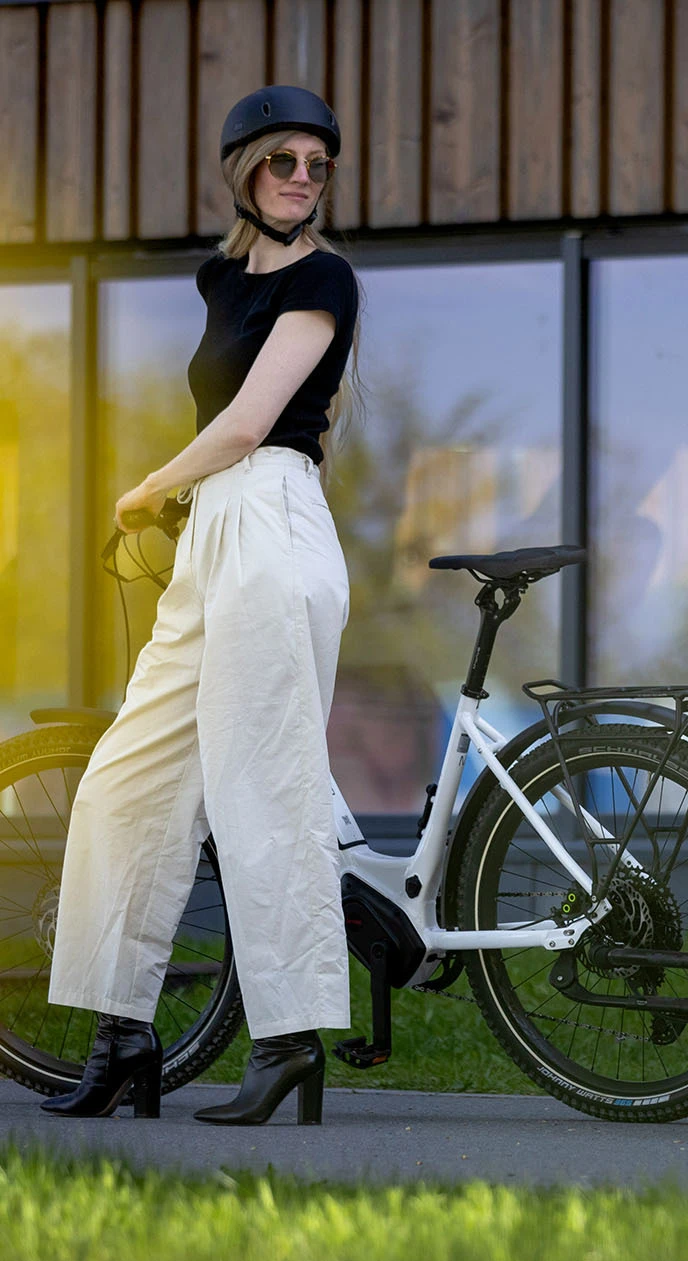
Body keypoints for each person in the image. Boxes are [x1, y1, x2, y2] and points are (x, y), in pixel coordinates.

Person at [40, 85, 361, 1126]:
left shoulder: (326, 279)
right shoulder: (221, 280)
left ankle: (289, 1040)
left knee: (266, 793)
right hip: (215, 539)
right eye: (285, 162)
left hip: (270, 519)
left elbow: (245, 426)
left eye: (318, 164)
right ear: (245, 171)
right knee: (123, 784)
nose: (303, 179)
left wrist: (144, 489)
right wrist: (183, 508)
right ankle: (122, 1036)